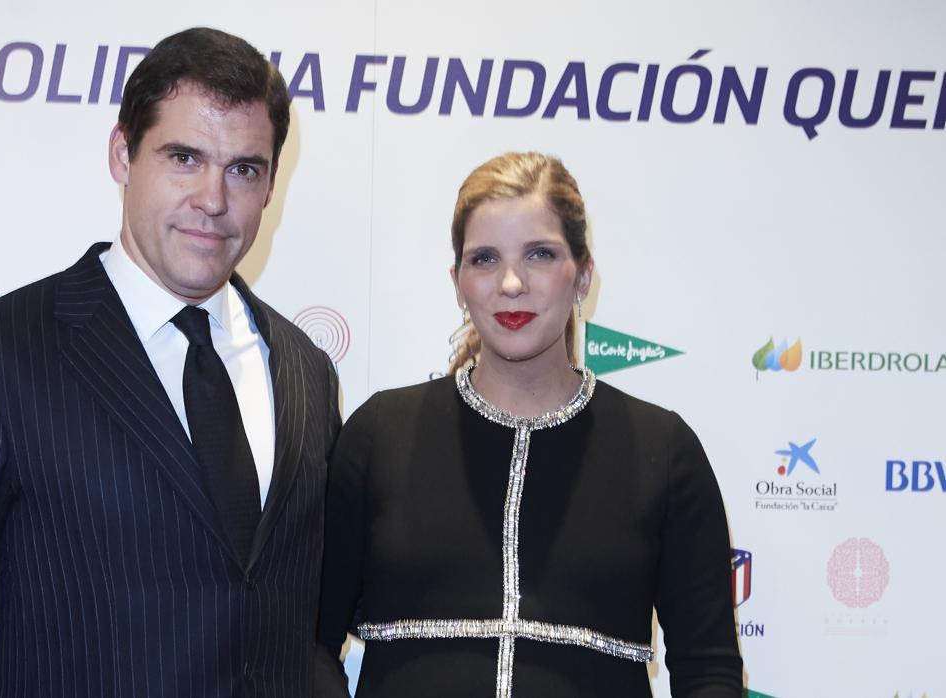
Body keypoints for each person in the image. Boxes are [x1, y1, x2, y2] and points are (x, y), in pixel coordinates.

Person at [0, 27, 341, 697]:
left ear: (270, 185)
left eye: (244, 169)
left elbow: (304, 627)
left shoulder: (304, 371)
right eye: (184, 158)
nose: (213, 199)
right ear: (122, 154)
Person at [316, 152, 742, 697]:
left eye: (540, 254)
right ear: (458, 282)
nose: (511, 283)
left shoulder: (662, 451)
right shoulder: (379, 436)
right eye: (484, 258)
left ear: (583, 275)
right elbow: (310, 644)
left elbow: (708, 671)